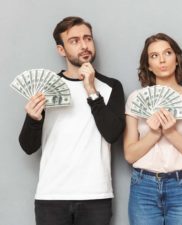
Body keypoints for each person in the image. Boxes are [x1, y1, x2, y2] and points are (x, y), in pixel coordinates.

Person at [18, 16, 125, 225]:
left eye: (88, 38)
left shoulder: (112, 87)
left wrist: (91, 90)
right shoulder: (46, 87)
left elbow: (112, 134)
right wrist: (33, 119)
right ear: (61, 50)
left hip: (96, 196)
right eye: (74, 41)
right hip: (51, 196)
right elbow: (28, 146)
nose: (84, 45)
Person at [123, 33, 182, 225]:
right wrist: (154, 133)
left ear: (177, 59)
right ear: (148, 65)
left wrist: (170, 132)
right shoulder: (136, 99)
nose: (161, 60)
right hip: (143, 185)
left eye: (167, 53)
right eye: (154, 56)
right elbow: (129, 155)